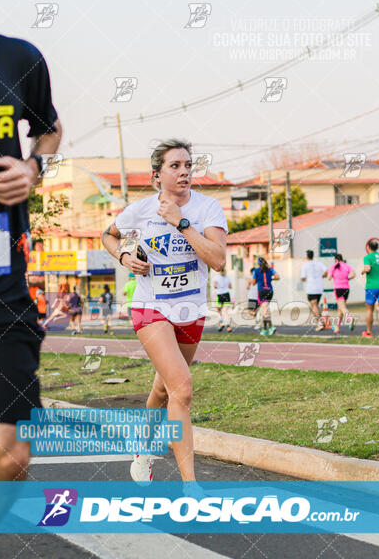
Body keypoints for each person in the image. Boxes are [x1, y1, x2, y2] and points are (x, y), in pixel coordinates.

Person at [101, 138, 227, 496]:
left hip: (190, 310)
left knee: (163, 387)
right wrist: (124, 257)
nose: (185, 171)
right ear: (157, 176)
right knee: (182, 389)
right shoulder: (138, 211)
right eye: (175, 166)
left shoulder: (207, 209)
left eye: (188, 164)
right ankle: (191, 485)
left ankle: (141, 449)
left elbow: (217, 260)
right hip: (150, 307)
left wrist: (182, 222)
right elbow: (108, 236)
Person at [0, 33, 62, 484]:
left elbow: (49, 129)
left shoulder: (19, 57)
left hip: (3, 281)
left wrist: (31, 168)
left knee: (13, 452)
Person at [327, 253, 355, 333]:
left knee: (342, 307)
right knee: (340, 309)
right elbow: (353, 275)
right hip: (346, 288)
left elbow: (329, 278)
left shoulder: (333, 266)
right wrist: (347, 279)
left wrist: (333, 275)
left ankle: (350, 319)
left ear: (335, 260)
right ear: (342, 259)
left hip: (338, 288)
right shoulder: (347, 266)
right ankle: (337, 327)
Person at [300, 250, 328, 332]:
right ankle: (321, 321)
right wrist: (322, 276)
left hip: (311, 287)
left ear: (307, 256)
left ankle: (320, 323)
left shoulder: (305, 265)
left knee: (314, 305)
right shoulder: (319, 263)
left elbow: (303, 277)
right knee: (316, 305)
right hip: (319, 287)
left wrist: (307, 278)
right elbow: (326, 271)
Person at [252, 257, 279, 336]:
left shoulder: (256, 271)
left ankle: (271, 327)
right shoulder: (270, 269)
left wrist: (259, 280)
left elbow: (253, 283)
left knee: (265, 311)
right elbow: (277, 277)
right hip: (269, 291)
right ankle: (264, 330)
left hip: (261, 291)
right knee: (265, 310)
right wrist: (270, 279)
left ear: (258, 264)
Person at [212, 267, 233, 333]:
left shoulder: (216, 277)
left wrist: (218, 286)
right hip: (226, 295)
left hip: (219, 295)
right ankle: (227, 325)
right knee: (226, 311)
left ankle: (222, 322)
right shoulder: (228, 277)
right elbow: (230, 287)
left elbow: (214, 286)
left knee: (219, 310)